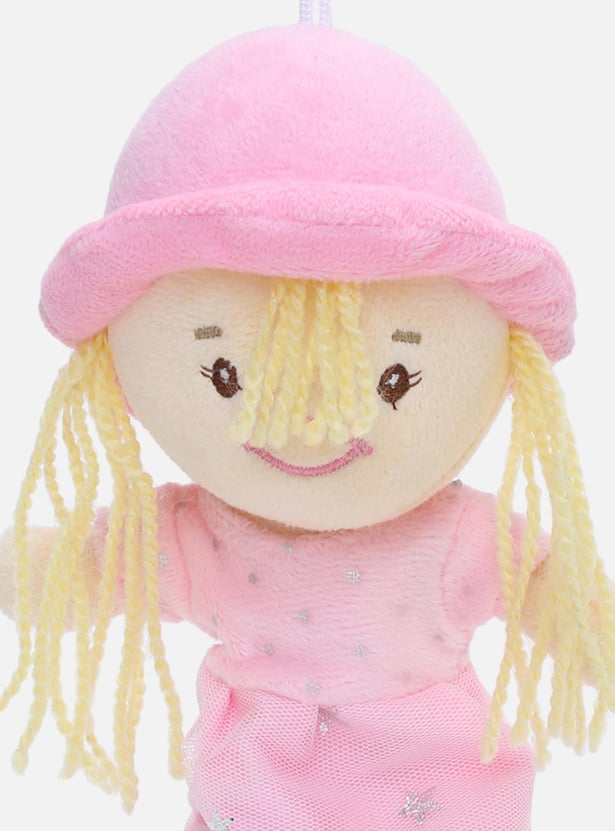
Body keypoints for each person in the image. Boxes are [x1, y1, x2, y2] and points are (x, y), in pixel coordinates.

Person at [1, 19, 614, 831]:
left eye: (393, 380)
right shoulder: (196, 535)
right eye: (227, 376)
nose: (312, 428)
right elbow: (81, 568)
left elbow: (547, 589)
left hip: (438, 803)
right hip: (258, 803)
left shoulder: (458, 538)